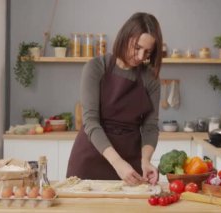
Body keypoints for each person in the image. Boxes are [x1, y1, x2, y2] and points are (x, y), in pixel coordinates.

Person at [67, 12, 163, 185]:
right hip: (91, 157)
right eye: (137, 47)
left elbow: (150, 126)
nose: (141, 57)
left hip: (130, 162)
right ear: (125, 37)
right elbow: (90, 121)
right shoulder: (96, 67)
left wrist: (146, 161)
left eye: (147, 52)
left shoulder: (151, 79)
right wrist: (117, 163)